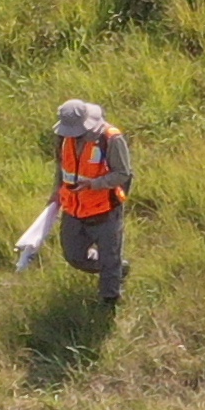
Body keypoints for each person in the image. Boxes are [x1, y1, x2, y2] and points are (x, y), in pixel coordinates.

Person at [48, 97, 135, 317]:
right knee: (74, 256)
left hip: (105, 211)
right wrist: (56, 192)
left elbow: (123, 174)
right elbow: (62, 167)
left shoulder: (111, 138)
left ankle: (109, 300)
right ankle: (116, 268)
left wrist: (94, 184)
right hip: (73, 211)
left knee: (109, 258)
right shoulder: (64, 137)